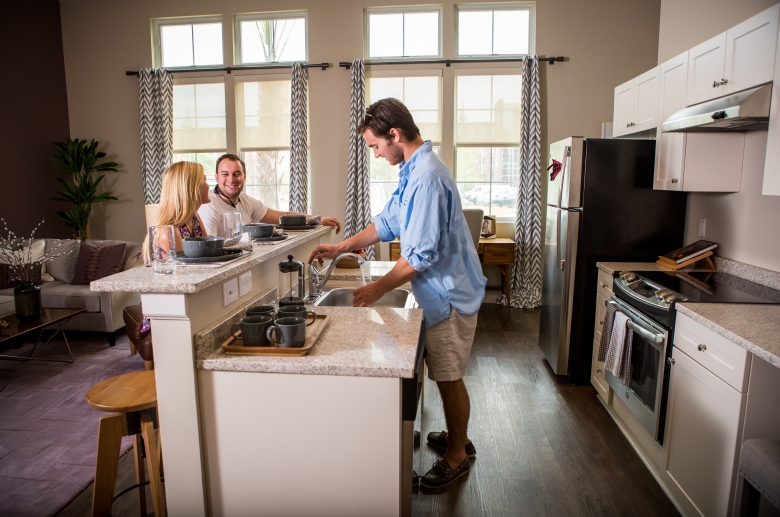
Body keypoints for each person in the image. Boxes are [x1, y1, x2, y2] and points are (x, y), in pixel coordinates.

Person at [308, 98, 486, 489]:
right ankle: (461, 437)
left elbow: (418, 256)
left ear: (394, 134)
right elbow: (386, 224)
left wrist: (376, 288)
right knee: (444, 374)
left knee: (449, 376)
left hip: (451, 294)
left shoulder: (427, 178)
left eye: (375, 146)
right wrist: (341, 247)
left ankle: (458, 454)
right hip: (439, 290)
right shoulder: (412, 170)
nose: (375, 154)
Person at [198, 154, 342, 237]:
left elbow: (281, 217)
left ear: (245, 177)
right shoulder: (210, 206)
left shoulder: (245, 201)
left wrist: (317, 219)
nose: (231, 179)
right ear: (216, 177)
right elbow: (209, 249)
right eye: (225, 174)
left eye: (237, 174)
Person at [143, 161, 211, 258]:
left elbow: (207, 253)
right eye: (205, 180)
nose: (209, 186)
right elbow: (180, 270)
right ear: (192, 188)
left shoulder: (194, 218)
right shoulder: (168, 232)